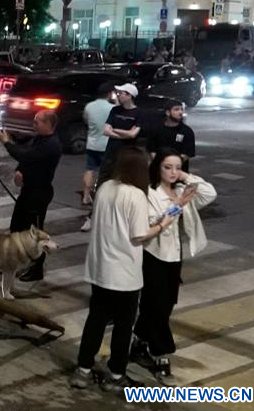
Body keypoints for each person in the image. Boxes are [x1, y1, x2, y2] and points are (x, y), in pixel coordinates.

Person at [71, 147, 176, 393]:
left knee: (96, 319)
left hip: (99, 268)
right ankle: (116, 374)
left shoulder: (105, 187)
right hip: (123, 273)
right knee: (123, 325)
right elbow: (139, 235)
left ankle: (83, 370)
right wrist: (162, 225)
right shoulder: (135, 195)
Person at [131, 149, 216, 386]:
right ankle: (161, 353)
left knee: (165, 303)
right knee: (157, 304)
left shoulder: (182, 189)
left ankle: (139, 340)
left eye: (177, 167)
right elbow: (152, 222)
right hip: (153, 254)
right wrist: (177, 205)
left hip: (174, 255)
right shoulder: (150, 192)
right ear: (157, 167)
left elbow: (209, 193)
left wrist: (186, 178)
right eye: (167, 167)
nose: (172, 172)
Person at [0, 109, 62, 282]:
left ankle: (37, 268)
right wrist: (19, 171)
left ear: (48, 124)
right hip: (28, 191)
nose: (33, 124)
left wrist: (7, 143)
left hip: (38, 194)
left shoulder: (52, 145)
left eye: (37, 122)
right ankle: (11, 263)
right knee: (16, 229)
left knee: (35, 234)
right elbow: (27, 158)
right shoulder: (40, 139)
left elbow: (26, 155)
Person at [97, 83, 144, 185]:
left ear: (129, 95)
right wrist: (126, 134)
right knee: (104, 178)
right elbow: (106, 131)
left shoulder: (139, 113)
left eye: (121, 93)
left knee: (122, 179)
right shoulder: (115, 110)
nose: (118, 95)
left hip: (127, 153)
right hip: (111, 152)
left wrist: (114, 130)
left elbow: (133, 135)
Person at [81, 83, 115, 223]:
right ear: (109, 94)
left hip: (92, 143)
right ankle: (102, 198)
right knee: (105, 173)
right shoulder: (112, 108)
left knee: (90, 169)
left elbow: (85, 120)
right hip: (106, 144)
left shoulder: (89, 106)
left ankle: (85, 195)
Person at [146, 101, 196, 172]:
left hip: (179, 170)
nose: (180, 112)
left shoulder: (187, 131)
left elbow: (187, 153)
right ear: (168, 112)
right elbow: (152, 149)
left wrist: (172, 165)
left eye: (181, 109)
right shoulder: (156, 129)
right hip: (159, 169)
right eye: (176, 109)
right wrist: (160, 163)